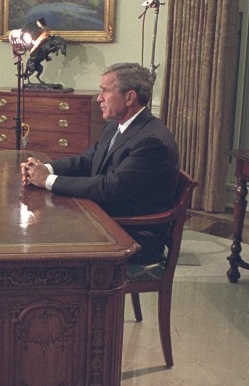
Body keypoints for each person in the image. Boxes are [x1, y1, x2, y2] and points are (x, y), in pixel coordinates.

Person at [21, 63, 180, 265]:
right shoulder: (114, 125)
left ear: (130, 97)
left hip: (132, 239)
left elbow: (109, 188)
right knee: (41, 228)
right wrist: (43, 168)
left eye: (105, 91)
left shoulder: (151, 141)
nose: (99, 98)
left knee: (44, 237)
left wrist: (47, 180)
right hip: (108, 220)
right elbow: (87, 161)